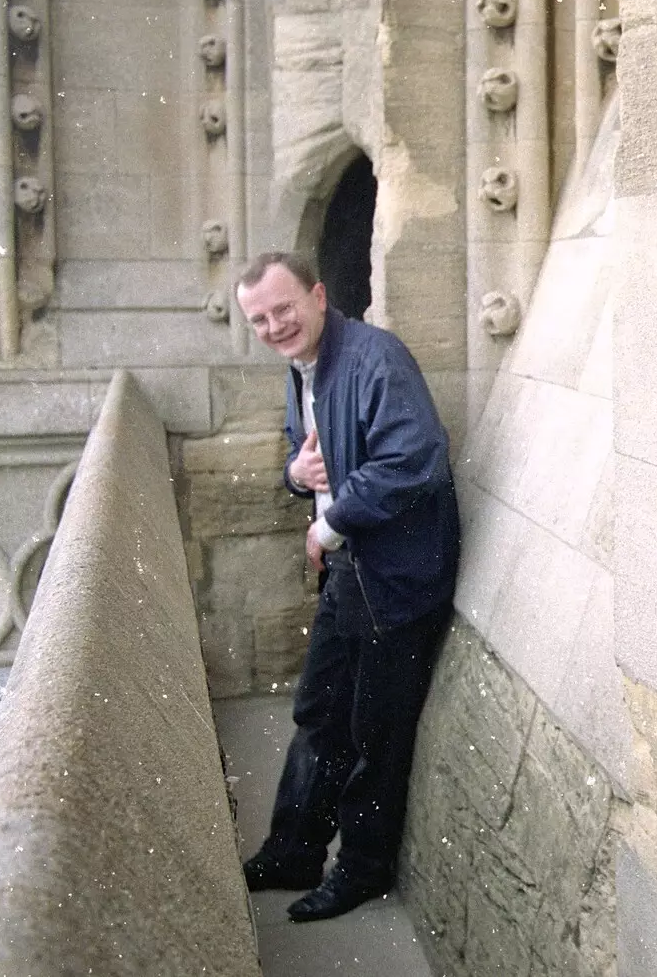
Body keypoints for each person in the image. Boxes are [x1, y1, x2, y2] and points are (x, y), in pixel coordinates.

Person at [233, 251, 460, 922]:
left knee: (373, 732)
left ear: (319, 296)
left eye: (284, 309)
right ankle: (294, 849)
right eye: (260, 319)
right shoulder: (302, 368)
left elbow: (414, 458)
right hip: (351, 572)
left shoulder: (373, 357)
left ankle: (361, 869)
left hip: (396, 578)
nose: (275, 325)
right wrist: (296, 477)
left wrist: (329, 525)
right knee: (318, 715)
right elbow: (304, 458)